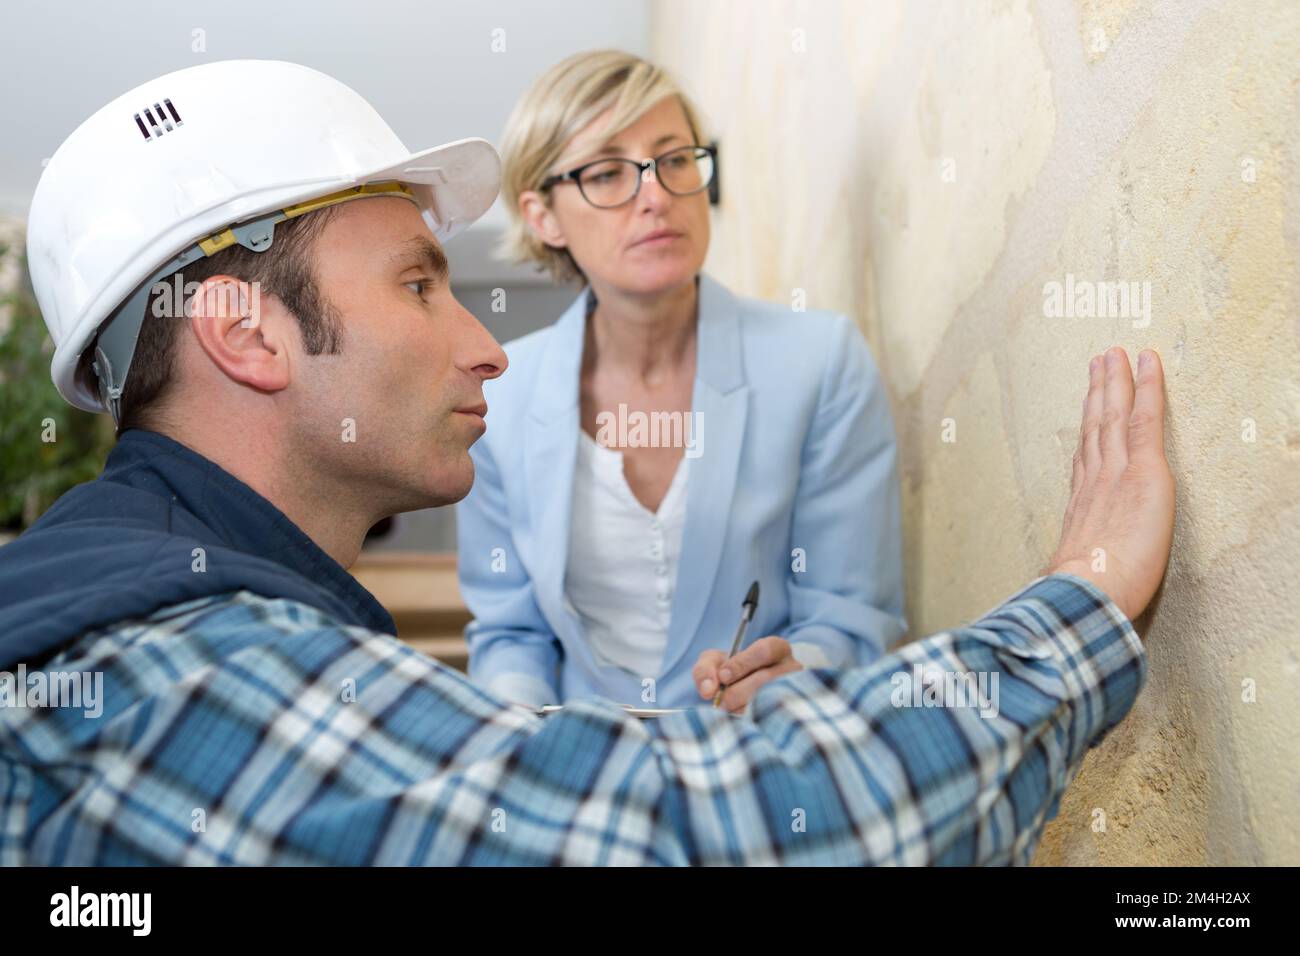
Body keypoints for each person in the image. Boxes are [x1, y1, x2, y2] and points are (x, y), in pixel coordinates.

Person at [0, 59, 1174, 866]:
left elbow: (846, 619)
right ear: (245, 333)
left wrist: (781, 676)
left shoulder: (195, 608)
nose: (481, 348)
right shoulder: (170, 676)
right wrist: (1076, 603)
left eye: (674, 160)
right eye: (419, 283)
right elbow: (729, 829)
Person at [458, 51, 906, 713]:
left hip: (763, 763)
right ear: (541, 216)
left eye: (675, 160)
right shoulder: (497, 395)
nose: (657, 195)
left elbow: (850, 619)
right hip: (576, 773)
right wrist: (521, 734)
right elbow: (511, 633)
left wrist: (803, 670)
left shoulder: (821, 362)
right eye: (608, 172)